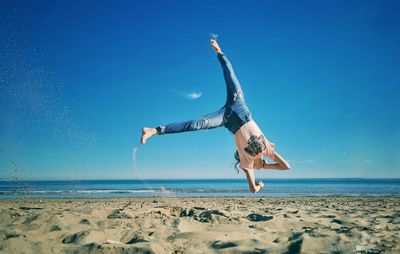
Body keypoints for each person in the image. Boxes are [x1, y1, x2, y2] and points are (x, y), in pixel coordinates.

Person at [141, 39, 291, 193]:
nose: (260, 165)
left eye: (260, 165)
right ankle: (219, 52)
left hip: (227, 119)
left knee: (195, 125)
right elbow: (286, 166)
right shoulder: (267, 150)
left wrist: (260, 182)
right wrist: (266, 165)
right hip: (239, 106)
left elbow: (253, 189)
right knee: (230, 74)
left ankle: (154, 130)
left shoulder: (246, 162)